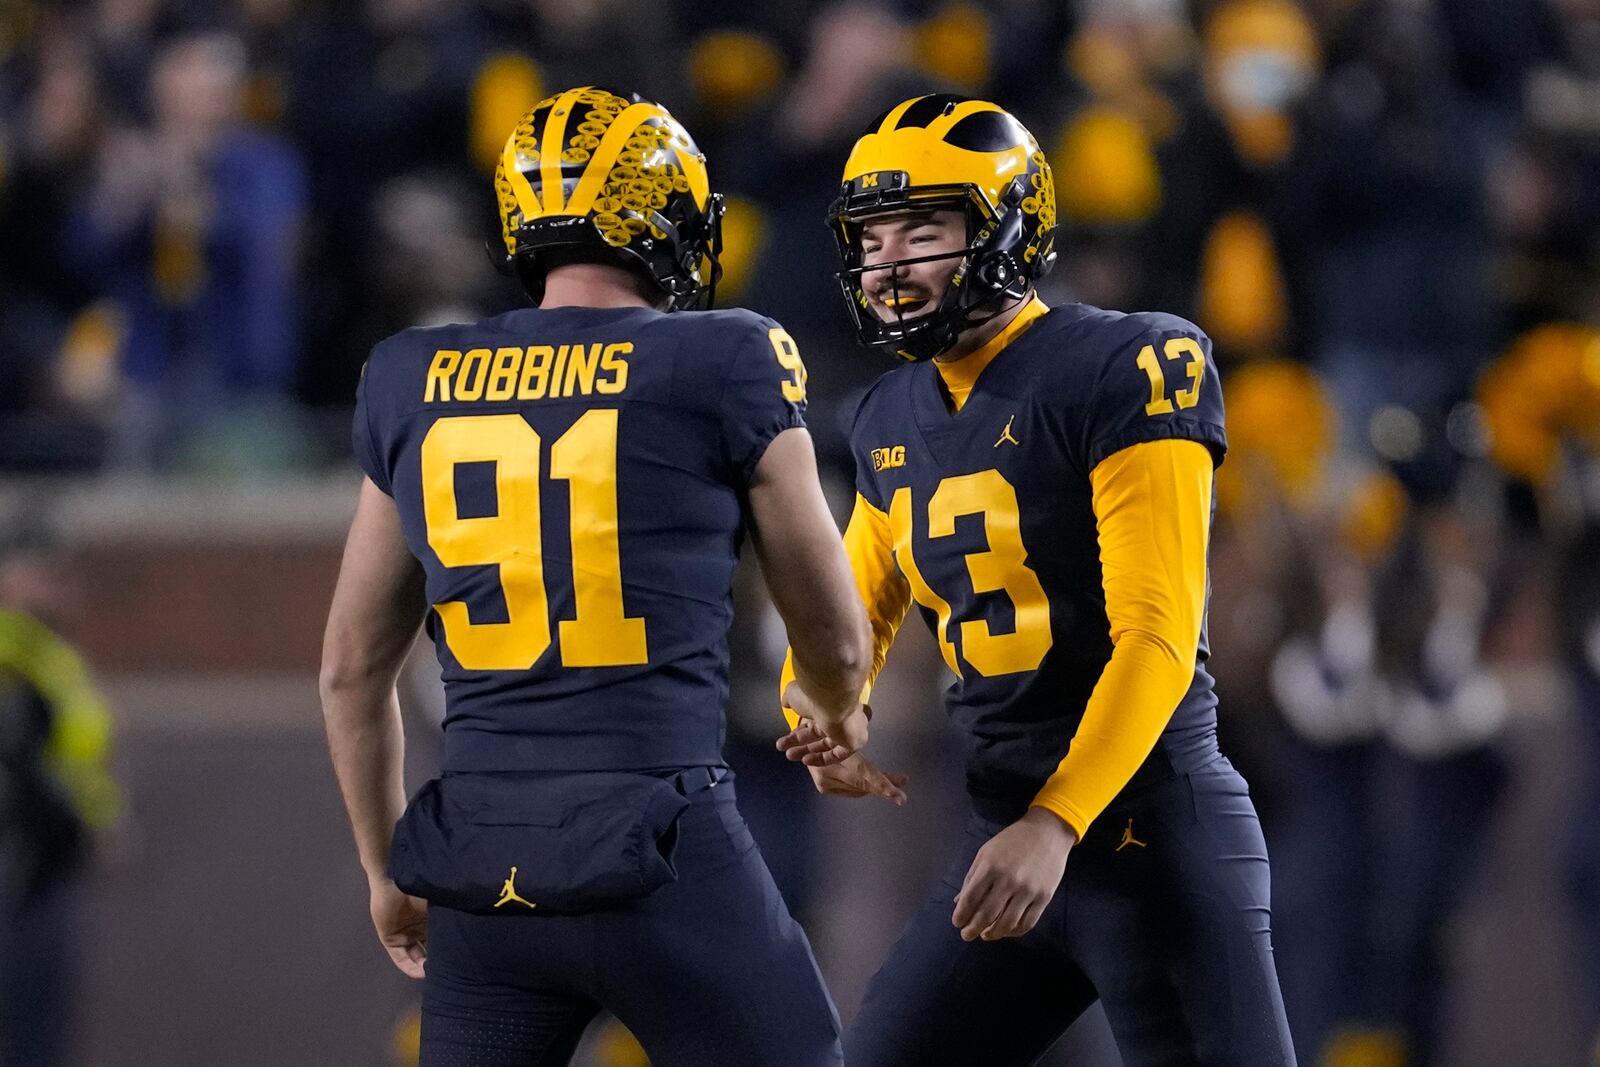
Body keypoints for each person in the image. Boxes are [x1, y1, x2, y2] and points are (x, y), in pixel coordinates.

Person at [320, 86, 878, 1067]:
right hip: (665, 853)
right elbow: (832, 629)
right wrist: (834, 707)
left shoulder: (413, 374)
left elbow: (350, 669)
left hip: (482, 866)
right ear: (664, 214)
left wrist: (381, 865)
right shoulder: (724, 356)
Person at [777, 93, 1297, 1065]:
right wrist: (821, 707)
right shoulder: (887, 411)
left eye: (921, 229)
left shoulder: (1126, 361)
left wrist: (1056, 823)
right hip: (1002, 836)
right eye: (873, 235)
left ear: (1007, 225)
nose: (888, 261)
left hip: (1148, 834)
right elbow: (843, 623)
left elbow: (1159, 633)